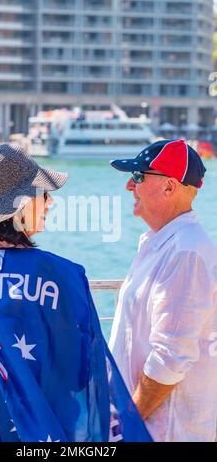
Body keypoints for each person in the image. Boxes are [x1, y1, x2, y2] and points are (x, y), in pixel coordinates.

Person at [0, 139, 151, 442]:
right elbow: (80, 374)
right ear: (19, 205)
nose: (50, 203)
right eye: (42, 194)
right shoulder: (63, 277)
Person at [109, 139, 217, 442]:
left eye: (139, 177)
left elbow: (171, 358)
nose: (130, 185)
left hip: (165, 432)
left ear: (170, 187)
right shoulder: (167, 244)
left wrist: (125, 423)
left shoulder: (186, 252)